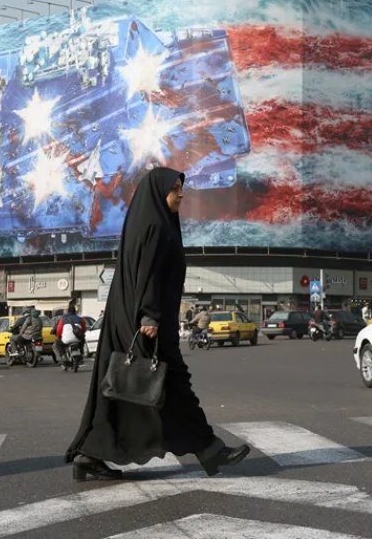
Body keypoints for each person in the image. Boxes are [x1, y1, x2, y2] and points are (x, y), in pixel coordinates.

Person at [65, 167, 250, 480]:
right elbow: (148, 273)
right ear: (158, 191)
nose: (181, 194)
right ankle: (210, 450)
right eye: (175, 188)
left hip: (133, 321)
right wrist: (149, 315)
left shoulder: (150, 222)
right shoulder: (155, 226)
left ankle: (90, 454)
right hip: (148, 324)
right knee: (175, 385)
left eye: (181, 188)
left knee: (120, 393)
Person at [53, 303, 87, 369]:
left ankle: (63, 357)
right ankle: (81, 354)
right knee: (83, 340)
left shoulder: (63, 319)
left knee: (57, 343)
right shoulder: (80, 319)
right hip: (78, 339)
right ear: (75, 311)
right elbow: (84, 329)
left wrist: (59, 336)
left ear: (67, 311)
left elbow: (59, 330)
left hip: (66, 340)